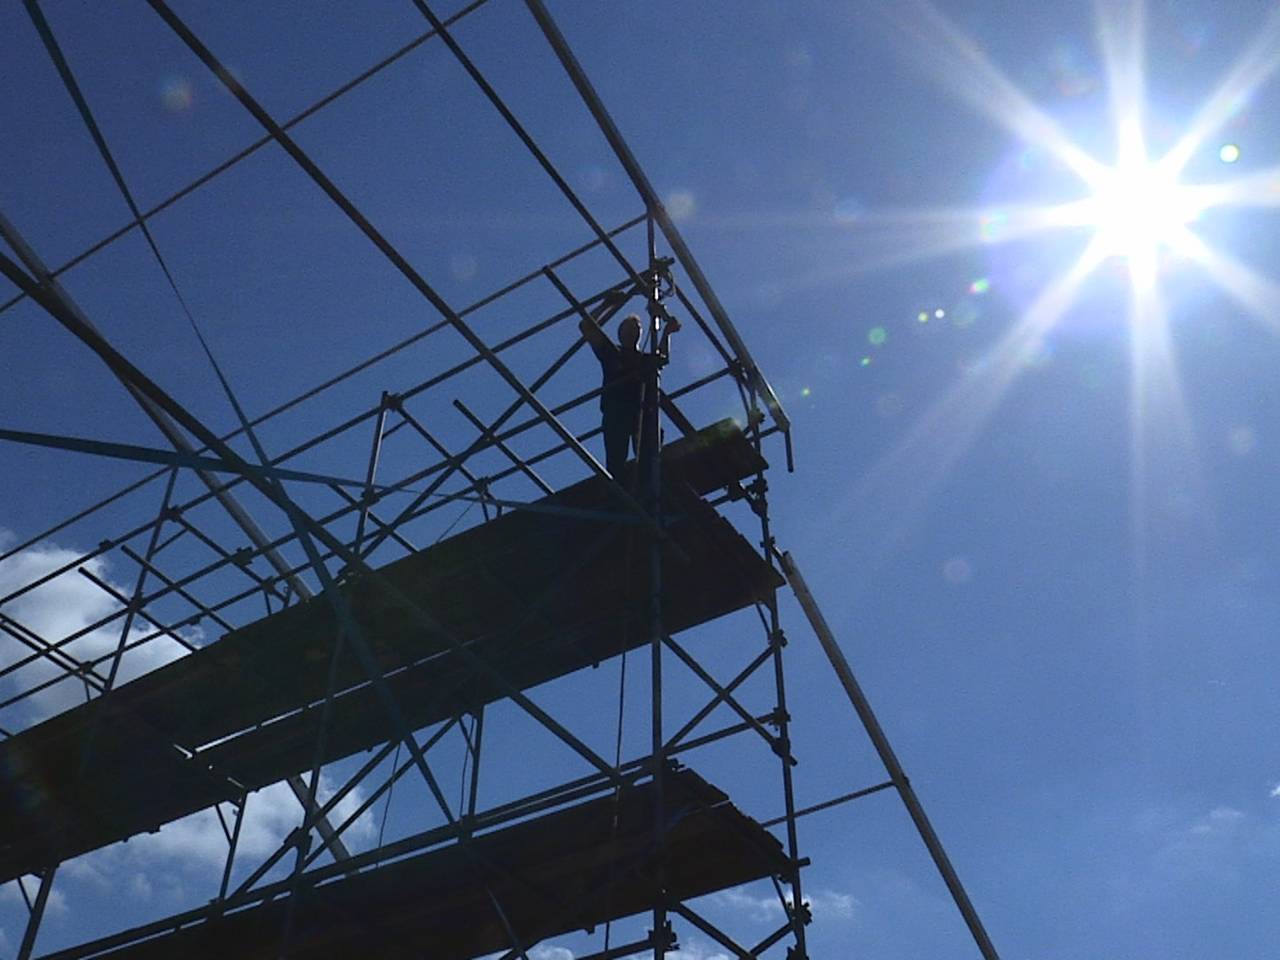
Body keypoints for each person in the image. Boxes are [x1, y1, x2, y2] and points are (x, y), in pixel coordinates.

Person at [579, 310, 680, 481]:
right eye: (629, 328)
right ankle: (621, 489)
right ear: (620, 334)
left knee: (649, 458)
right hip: (617, 411)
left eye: (637, 328)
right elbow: (586, 326)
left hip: (641, 411)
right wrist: (609, 304)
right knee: (616, 463)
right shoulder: (612, 352)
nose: (634, 331)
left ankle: (644, 486)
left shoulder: (644, 359)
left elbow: (661, 359)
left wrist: (666, 333)